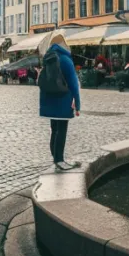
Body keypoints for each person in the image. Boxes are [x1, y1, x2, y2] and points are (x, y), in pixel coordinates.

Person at [38, 32, 82, 170]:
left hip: (49, 100)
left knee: (54, 130)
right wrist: (78, 105)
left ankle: (55, 157)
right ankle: (59, 159)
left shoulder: (47, 58)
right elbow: (74, 84)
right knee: (61, 130)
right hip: (63, 100)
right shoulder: (65, 59)